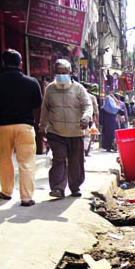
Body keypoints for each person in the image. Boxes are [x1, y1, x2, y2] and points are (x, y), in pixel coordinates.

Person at [0, 49, 42, 206]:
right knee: (27, 161)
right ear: (20, 63)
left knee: (4, 159)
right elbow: (37, 103)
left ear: (3, 63)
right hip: (25, 126)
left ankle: (6, 192)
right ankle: (26, 198)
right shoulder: (32, 82)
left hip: (2, 125)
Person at [39, 59, 92, 198]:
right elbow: (45, 109)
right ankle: (57, 188)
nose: (61, 75)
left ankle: (75, 187)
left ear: (70, 73)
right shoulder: (50, 89)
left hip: (75, 132)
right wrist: (42, 126)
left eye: (64, 72)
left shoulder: (79, 89)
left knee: (76, 161)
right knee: (59, 158)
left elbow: (88, 106)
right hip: (56, 132)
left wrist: (86, 118)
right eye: (58, 72)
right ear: (54, 73)